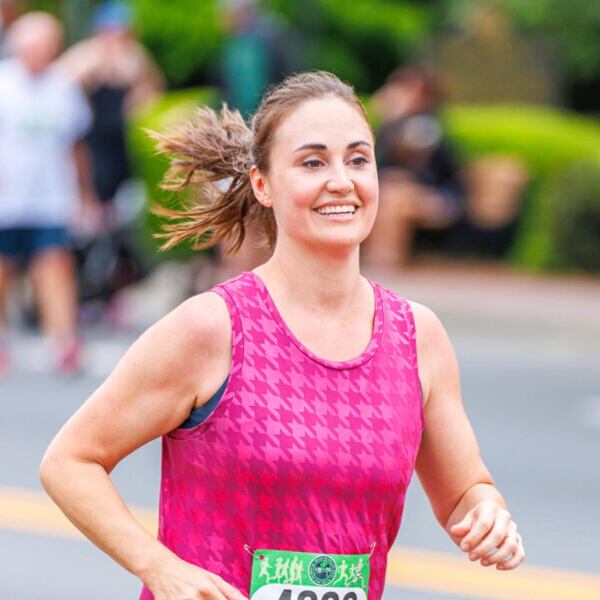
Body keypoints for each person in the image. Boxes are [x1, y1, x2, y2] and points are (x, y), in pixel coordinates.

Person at [40, 71, 525, 600]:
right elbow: (71, 462)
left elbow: (465, 491)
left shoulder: (417, 337)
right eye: (313, 162)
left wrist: (489, 517)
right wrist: (159, 567)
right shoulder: (212, 328)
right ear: (263, 185)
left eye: (358, 159)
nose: (341, 179)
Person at [0, 12, 96, 376]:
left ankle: (63, 341)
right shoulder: (3, 83)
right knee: (4, 271)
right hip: (7, 196)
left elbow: (75, 144)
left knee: (54, 265)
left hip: (51, 195)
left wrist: (85, 194)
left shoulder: (62, 85)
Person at [363, 66, 464, 267]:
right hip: (395, 191)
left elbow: (423, 173)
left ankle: (384, 262)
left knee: (393, 198)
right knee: (385, 195)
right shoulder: (387, 126)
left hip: (440, 198)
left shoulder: (425, 128)